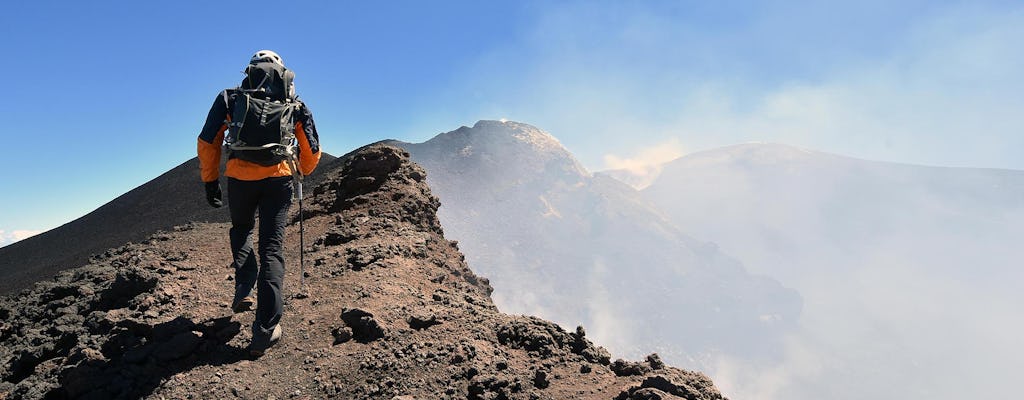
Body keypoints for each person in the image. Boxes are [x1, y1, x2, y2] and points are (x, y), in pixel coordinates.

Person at [197, 50, 321, 356]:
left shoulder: (230, 99)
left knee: (241, 228)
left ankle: (245, 282)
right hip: (278, 182)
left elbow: (208, 141)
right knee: (272, 248)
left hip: (240, 179)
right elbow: (313, 150)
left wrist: (210, 181)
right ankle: (265, 330)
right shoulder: (295, 103)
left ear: (249, 72)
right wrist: (300, 172)